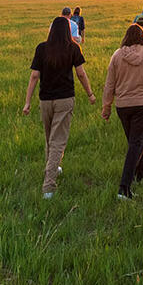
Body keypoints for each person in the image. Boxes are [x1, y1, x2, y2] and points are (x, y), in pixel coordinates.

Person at [21, 16, 95, 198]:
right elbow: (81, 74)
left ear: (51, 30)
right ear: (68, 31)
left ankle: (52, 167)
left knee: (50, 138)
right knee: (57, 141)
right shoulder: (73, 48)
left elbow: (34, 76)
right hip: (64, 99)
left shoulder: (42, 48)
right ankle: (49, 186)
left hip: (45, 99)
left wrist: (28, 102)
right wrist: (90, 94)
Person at [101, 24, 143, 200]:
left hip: (123, 105)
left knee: (135, 140)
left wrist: (106, 106)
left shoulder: (117, 55)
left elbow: (110, 84)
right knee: (136, 141)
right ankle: (124, 188)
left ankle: (140, 174)